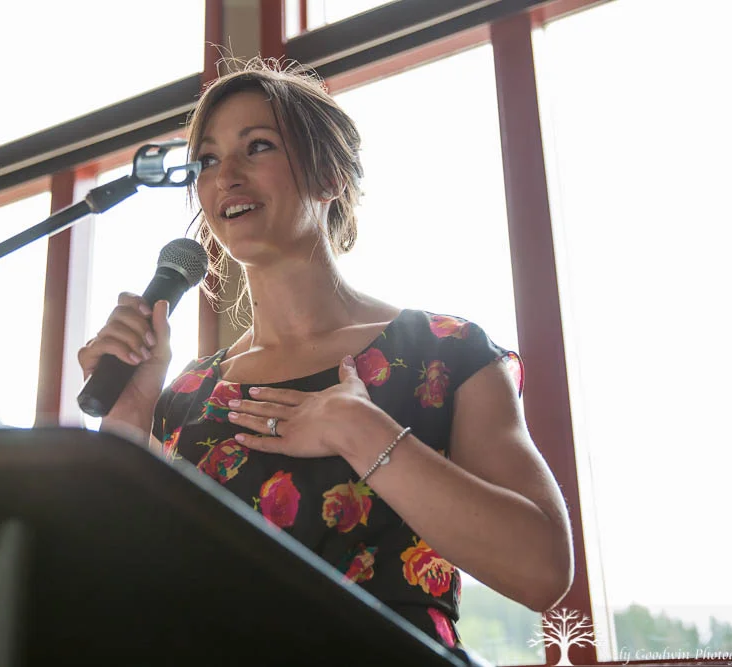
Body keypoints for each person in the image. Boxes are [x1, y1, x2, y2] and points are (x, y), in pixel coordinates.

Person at [78, 59, 573, 650]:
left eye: (257, 146)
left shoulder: (445, 353)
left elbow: (543, 570)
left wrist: (360, 430)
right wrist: (129, 420)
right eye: (207, 160)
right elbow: (110, 600)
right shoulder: (185, 398)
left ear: (330, 176)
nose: (225, 176)